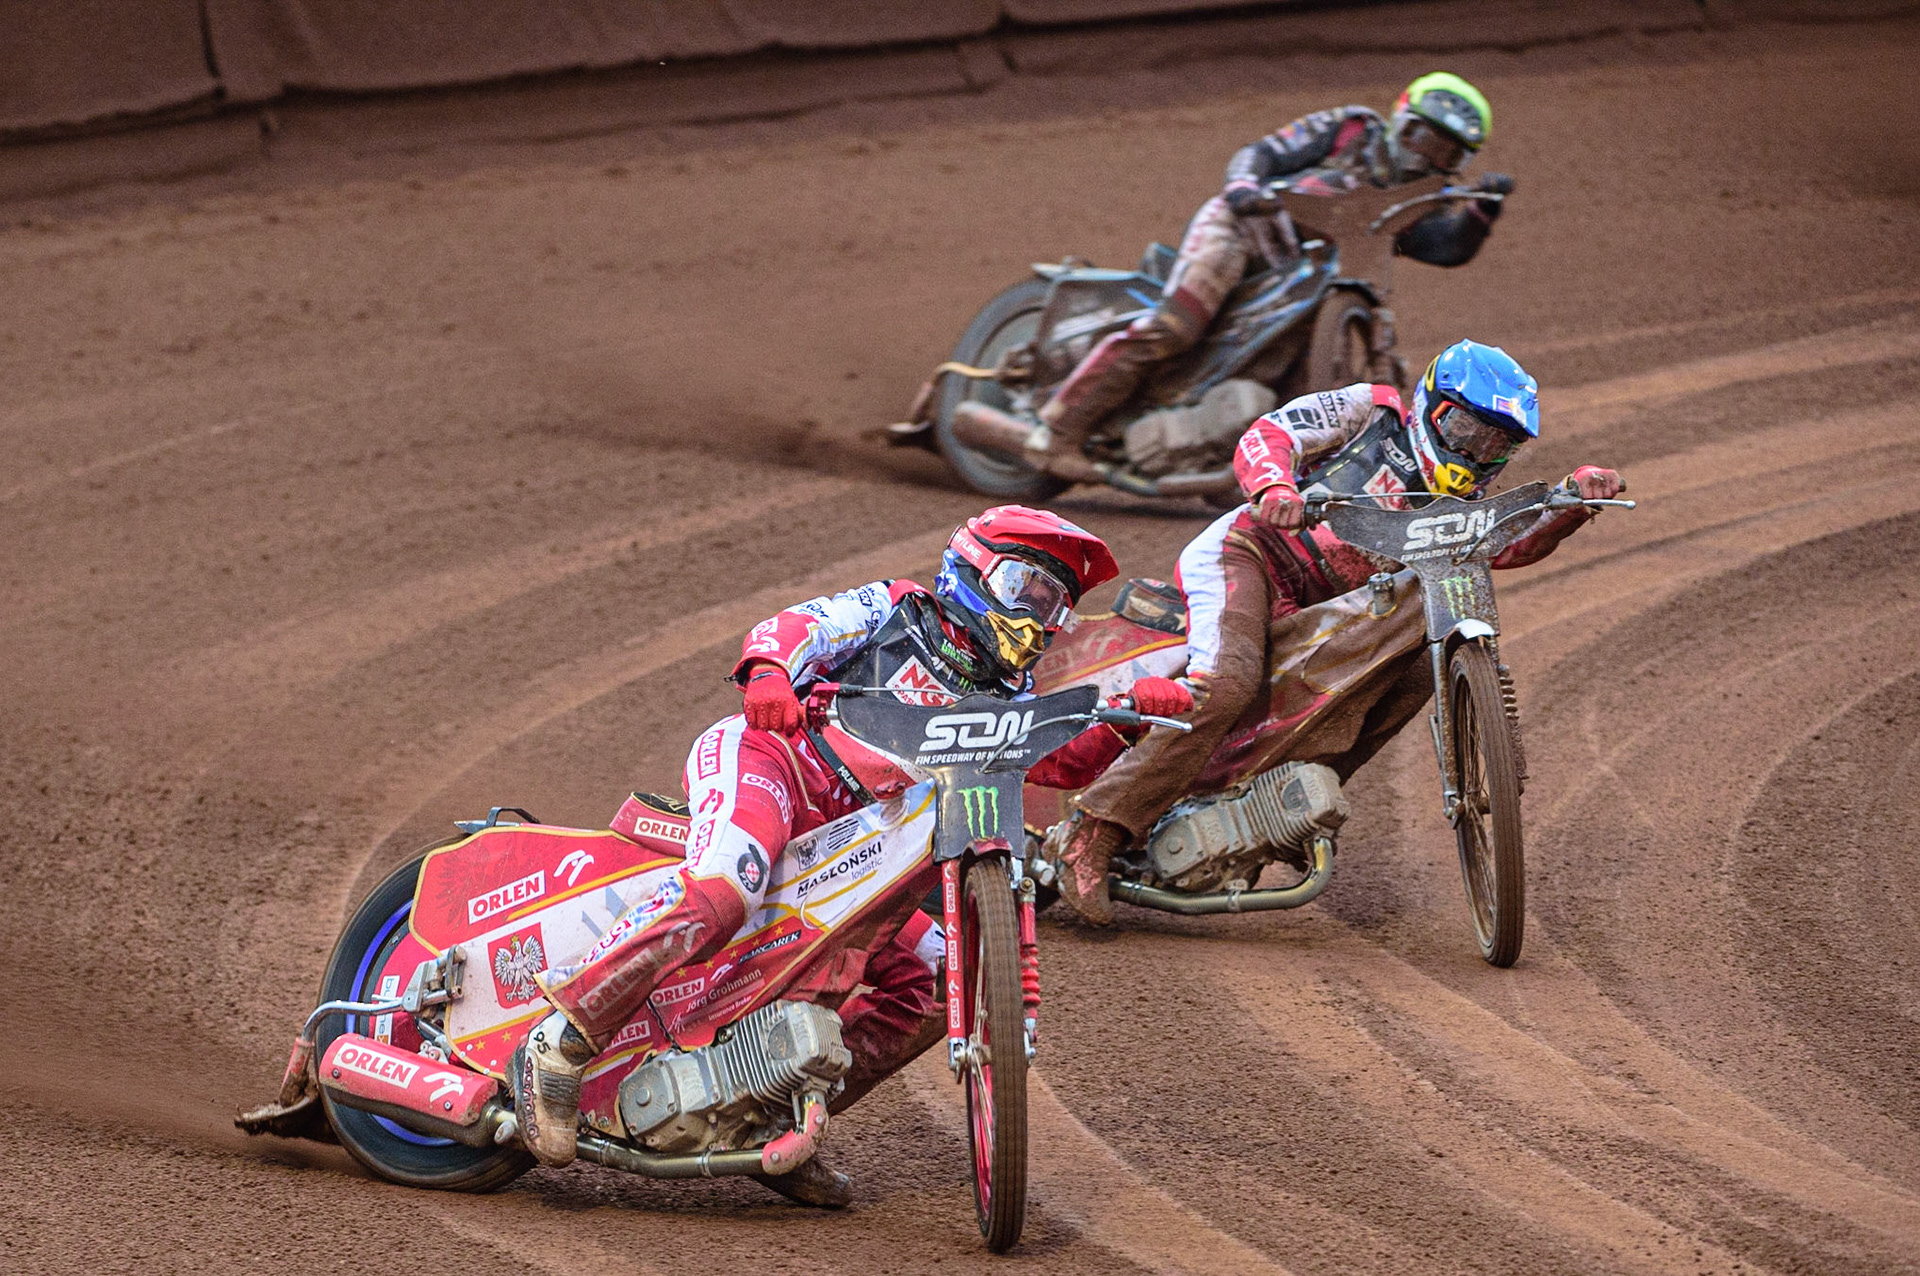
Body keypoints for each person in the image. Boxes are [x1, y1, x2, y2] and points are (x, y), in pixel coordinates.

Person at [510, 505, 1193, 1199]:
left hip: (857, 852)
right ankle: (561, 1040)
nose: (1034, 616)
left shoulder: (1009, 692)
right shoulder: (900, 608)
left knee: (939, 980)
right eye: (1023, 587)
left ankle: (769, 1119)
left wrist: (1129, 718)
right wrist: (770, 673)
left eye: (1051, 604)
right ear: (973, 568)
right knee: (726, 887)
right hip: (775, 763)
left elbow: (1058, 762)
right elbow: (799, 627)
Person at [1047, 340, 1626, 925]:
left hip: (1333, 605)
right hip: (1252, 555)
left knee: (1411, 668)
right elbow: (1270, 434)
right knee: (1228, 683)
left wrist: (1572, 503)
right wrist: (1275, 487)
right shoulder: (1370, 410)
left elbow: (1507, 547)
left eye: (1496, 445)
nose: (1476, 453)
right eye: (1467, 432)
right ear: (1432, 407)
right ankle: (1092, 831)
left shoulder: (1463, 503)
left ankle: (1279, 802)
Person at [959, 72, 1513, 481]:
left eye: (1445, 152)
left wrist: (1481, 213)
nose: (1426, 157)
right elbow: (1263, 153)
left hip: (1312, 276)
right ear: (1402, 121)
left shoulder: (1419, 202)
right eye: (1423, 138)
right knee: (1176, 327)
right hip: (1243, 230)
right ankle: (1055, 430)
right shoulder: (1350, 128)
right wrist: (1246, 190)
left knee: (1290, 378)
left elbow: (1444, 248)